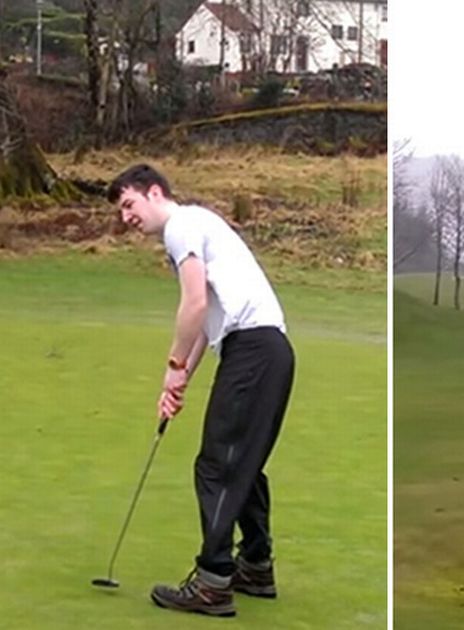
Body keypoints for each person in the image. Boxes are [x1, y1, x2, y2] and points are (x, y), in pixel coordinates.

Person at [107, 164, 294, 616]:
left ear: (155, 192)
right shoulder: (199, 224)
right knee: (243, 462)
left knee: (217, 467)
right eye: (121, 211)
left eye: (129, 204)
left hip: (253, 350)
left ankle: (213, 581)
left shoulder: (181, 226)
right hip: (264, 350)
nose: (126, 217)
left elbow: (192, 302)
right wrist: (183, 376)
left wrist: (172, 365)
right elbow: (208, 318)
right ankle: (255, 564)